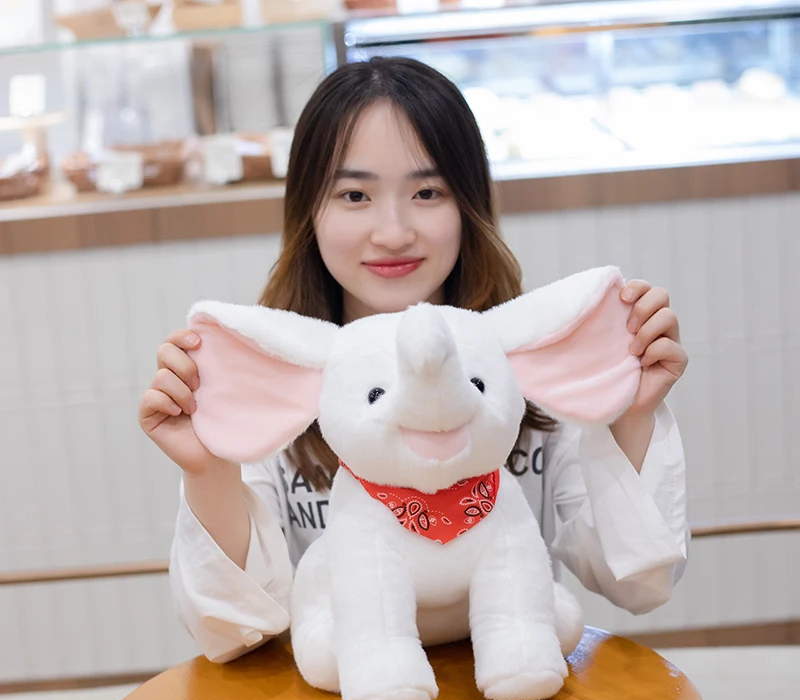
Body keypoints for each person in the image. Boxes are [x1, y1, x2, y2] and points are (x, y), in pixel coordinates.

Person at [138, 57, 690, 663]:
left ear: (469, 205)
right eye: (355, 195)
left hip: (518, 691)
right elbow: (231, 631)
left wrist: (631, 414)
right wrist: (208, 470)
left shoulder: (520, 374)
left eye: (427, 192)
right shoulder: (276, 379)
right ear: (309, 212)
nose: (393, 231)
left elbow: (639, 583)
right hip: (351, 699)